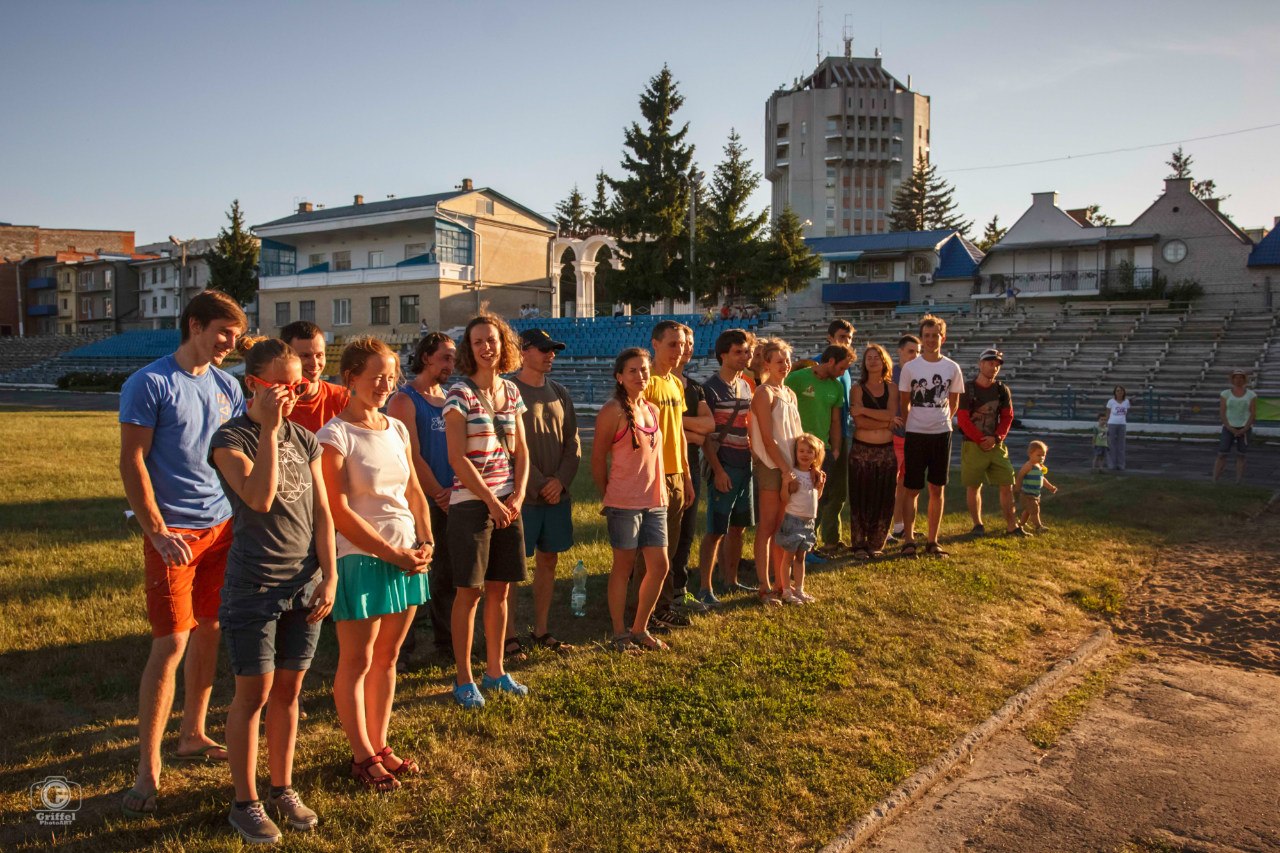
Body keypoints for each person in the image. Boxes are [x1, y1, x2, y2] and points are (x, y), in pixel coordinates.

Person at [119, 290, 247, 818]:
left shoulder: (227, 385)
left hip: (221, 528)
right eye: (222, 333)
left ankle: (192, 734)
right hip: (173, 534)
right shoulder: (149, 382)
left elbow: (238, 453)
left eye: (236, 338)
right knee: (170, 643)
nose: (228, 345)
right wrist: (155, 530)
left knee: (210, 630)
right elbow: (133, 463)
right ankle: (146, 772)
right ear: (194, 325)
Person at [210, 336, 337, 843]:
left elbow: (322, 513)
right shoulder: (231, 440)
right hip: (255, 586)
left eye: (297, 385)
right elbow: (259, 500)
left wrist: (330, 574)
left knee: (289, 691)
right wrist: (266, 428)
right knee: (253, 694)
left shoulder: (305, 440)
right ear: (252, 385)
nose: (289, 394)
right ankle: (245, 801)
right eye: (278, 386)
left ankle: (282, 787)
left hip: (304, 586)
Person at [318, 337, 433, 791]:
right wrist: (394, 553)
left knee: (388, 657)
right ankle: (361, 754)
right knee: (358, 659)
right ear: (350, 379)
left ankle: (380, 744)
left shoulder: (396, 429)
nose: (385, 385)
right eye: (376, 377)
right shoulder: (334, 435)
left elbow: (414, 493)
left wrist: (424, 542)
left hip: (407, 556)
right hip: (362, 558)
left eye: (391, 377)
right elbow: (338, 511)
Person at [443, 314, 531, 708]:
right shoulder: (457, 393)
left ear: (503, 343)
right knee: (470, 593)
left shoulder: (512, 392)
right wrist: (493, 502)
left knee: (500, 590)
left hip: (508, 504)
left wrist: (516, 498)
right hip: (472, 506)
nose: (485, 347)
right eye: (477, 341)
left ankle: (495, 672)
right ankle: (463, 678)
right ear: (469, 348)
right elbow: (457, 458)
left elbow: (522, 451)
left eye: (491, 339)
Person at [386, 332, 457, 663]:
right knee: (414, 572)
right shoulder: (404, 400)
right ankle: (403, 649)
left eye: (453, 358)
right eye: (445, 357)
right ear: (426, 357)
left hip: (452, 496)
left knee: (448, 574)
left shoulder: (448, 396)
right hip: (423, 499)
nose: (451, 364)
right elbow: (410, 455)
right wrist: (436, 493)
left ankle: (448, 642)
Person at [594, 348, 671, 652]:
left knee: (659, 566)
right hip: (624, 503)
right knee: (623, 567)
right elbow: (598, 459)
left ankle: (640, 628)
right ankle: (619, 633)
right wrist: (608, 495)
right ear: (619, 377)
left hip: (655, 501)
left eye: (644, 370)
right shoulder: (612, 410)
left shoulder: (652, 409)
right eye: (633, 371)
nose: (641, 376)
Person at [509, 328, 581, 653]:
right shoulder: (508, 391)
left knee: (548, 560)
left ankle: (541, 629)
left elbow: (573, 443)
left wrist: (560, 482)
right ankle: (508, 635)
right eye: (543, 349)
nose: (550, 354)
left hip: (556, 496)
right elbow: (507, 446)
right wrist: (539, 483)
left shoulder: (560, 392)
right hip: (521, 497)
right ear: (523, 351)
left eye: (553, 349)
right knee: (509, 568)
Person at [636, 320, 696, 629]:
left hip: (674, 474)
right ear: (655, 344)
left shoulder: (675, 383)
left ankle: (663, 605)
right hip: (651, 476)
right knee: (648, 549)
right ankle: (640, 610)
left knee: (669, 546)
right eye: (673, 344)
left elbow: (680, 433)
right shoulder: (646, 383)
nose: (679, 350)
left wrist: (685, 474)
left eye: (683, 345)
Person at [697, 329, 756, 603]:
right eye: (738, 352)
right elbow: (707, 436)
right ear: (723, 355)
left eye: (746, 351)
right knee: (716, 529)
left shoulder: (746, 384)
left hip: (745, 464)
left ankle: (731, 579)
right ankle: (705, 588)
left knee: (738, 527)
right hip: (724, 466)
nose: (744, 356)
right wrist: (718, 471)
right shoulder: (709, 388)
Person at [897, 315, 964, 559]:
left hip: (941, 433)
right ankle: (909, 540)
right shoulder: (911, 368)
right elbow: (904, 403)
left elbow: (954, 402)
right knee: (911, 488)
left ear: (942, 338)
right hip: (915, 434)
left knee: (937, 488)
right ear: (921, 337)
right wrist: (913, 423)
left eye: (935, 335)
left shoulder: (951, 367)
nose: (930, 340)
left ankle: (933, 540)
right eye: (926, 336)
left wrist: (941, 420)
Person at [749, 338, 805, 606]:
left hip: (791, 468)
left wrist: (805, 466)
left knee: (785, 527)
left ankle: (783, 584)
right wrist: (784, 469)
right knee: (768, 527)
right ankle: (763, 586)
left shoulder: (790, 393)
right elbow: (768, 439)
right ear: (767, 363)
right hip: (773, 467)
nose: (785, 365)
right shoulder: (764, 393)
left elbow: (795, 435)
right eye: (779, 361)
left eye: (787, 360)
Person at [786, 342, 855, 560]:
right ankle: (789, 545)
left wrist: (834, 449)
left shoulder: (835, 386)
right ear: (831, 361)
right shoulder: (797, 378)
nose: (843, 373)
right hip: (795, 449)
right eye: (842, 367)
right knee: (793, 499)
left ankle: (808, 546)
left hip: (821, 451)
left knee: (815, 499)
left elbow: (836, 421)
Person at [957, 348, 1025, 537]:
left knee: (1006, 483)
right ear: (980, 364)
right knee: (974, 485)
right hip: (972, 444)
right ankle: (977, 524)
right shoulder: (967, 389)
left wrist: (996, 438)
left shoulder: (1002, 389)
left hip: (995, 443)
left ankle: (1012, 526)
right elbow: (962, 419)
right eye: (990, 363)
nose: (994, 367)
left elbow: (1007, 417)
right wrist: (980, 439)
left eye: (997, 365)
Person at [672, 325, 714, 609]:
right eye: (681, 342)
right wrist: (688, 429)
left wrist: (672, 422)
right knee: (663, 533)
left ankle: (678, 589)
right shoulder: (649, 382)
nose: (686, 348)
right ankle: (654, 592)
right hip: (662, 465)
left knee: (686, 531)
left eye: (690, 343)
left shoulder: (695, 387)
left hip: (691, 465)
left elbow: (708, 427)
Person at [848, 343, 901, 559]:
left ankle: (876, 542)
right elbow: (859, 423)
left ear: (884, 361)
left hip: (886, 451)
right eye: (868, 357)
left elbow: (892, 413)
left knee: (884, 497)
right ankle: (859, 544)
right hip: (862, 450)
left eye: (876, 357)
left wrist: (866, 411)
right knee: (862, 498)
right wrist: (886, 421)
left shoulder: (893, 388)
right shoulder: (857, 389)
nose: (872, 360)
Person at [776, 434, 824, 605]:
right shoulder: (793, 474)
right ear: (795, 453)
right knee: (788, 558)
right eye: (801, 451)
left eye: (810, 452)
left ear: (816, 455)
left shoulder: (814, 475)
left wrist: (820, 486)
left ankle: (800, 589)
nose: (805, 454)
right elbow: (784, 499)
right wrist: (785, 484)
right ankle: (786, 591)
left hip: (809, 522)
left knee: (801, 557)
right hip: (793, 520)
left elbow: (815, 498)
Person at [280, 320, 350, 435]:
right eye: (305, 356)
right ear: (284, 356)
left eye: (319, 355)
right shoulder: (270, 403)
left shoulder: (343, 398)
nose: (314, 363)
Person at [889, 335, 920, 543]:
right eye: (911, 351)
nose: (915, 355)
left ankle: (900, 525)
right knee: (889, 482)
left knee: (905, 483)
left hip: (913, 435)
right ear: (900, 351)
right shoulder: (890, 373)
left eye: (917, 352)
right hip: (894, 434)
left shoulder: (920, 372)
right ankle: (885, 528)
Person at [1214, 369, 1257, 484]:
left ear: (1244, 379)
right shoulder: (1225, 394)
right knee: (1222, 453)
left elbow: (1252, 413)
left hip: (1244, 427)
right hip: (1229, 427)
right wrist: (1229, 427)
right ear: (1232, 379)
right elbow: (1222, 412)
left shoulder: (1251, 395)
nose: (1238, 380)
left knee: (1241, 455)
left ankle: (1238, 481)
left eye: (1241, 377)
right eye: (1236, 377)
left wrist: (1245, 428)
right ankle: (1215, 479)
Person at [1015, 440, 1057, 533]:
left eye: (1044, 455)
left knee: (1027, 510)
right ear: (1030, 454)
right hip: (1027, 494)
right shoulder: (1029, 465)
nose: (1041, 458)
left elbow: (1042, 479)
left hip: (1035, 494)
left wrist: (1050, 487)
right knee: (1035, 510)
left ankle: (1021, 524)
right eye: (1038, 455)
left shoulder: (1039, 466)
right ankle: (1039, 527)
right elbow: (1020, 475)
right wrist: (1017, 488)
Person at [1105, 386, 1130, 471]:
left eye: (1121, 391)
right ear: (1115, 392)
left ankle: (1121, 464)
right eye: (1117, 391)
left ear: (1124, 392)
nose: (1119, 392)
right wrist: (1106, 424)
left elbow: (1126, 413)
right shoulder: (1111, 401)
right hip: (1112, 424)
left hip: (1122, 424)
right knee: (1111, 444)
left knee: (1121, 445)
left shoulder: (1126, 402)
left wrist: (1122, 420)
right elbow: (1108, 413)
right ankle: (1112, 464)